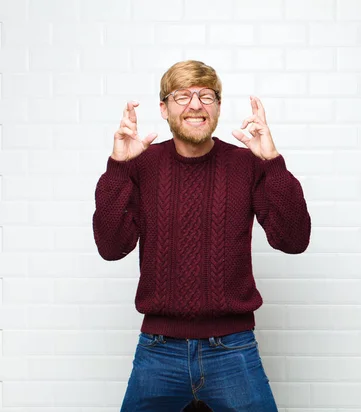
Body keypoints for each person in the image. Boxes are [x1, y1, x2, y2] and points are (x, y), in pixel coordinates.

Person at [92, 60, 311, 412]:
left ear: (219, 107)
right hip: (158, 349)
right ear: (163, 109)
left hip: (233, 349)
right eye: (182, 96)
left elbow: (294, 239)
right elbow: (111, 246)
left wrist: (272, 161)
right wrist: (118, 168)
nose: (195, 105)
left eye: (206, 96)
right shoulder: (141, 164)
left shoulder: (248, 163)